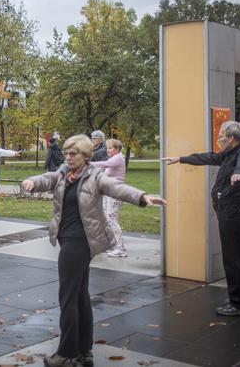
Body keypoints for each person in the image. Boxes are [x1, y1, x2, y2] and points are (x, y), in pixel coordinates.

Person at [21, 135, 166, 367]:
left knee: (67, 297)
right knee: (79, 296)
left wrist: (142, 196)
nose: (68, 157)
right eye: (66, 153)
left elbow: (117, 187)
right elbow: (46, 178)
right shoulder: (63, 175)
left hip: (80, 241)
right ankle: (84, 350)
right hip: (68, 238)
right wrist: (32, 181)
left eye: (73, 154)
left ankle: (66, 353)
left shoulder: (95, 177)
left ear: (86, 156)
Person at [162, 120, 240, 317]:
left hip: (236, 212)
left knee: (234, 259)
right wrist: (181, 158)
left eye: (221, 136)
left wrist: (239, 173)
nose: (219, 139)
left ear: (231, 138)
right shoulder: (230, 153)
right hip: (232, 210)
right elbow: (209, 157)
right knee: (237, 257)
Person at [90, 139, 128, 257]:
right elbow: (103, 169)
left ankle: (120, 248)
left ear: (116, 149)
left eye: (110, 148)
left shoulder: (118, 158)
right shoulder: (113, 159)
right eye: (107, 147)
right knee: (107, 219)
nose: (108, 150)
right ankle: (113, 245)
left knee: (112, 219)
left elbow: (106, 164)